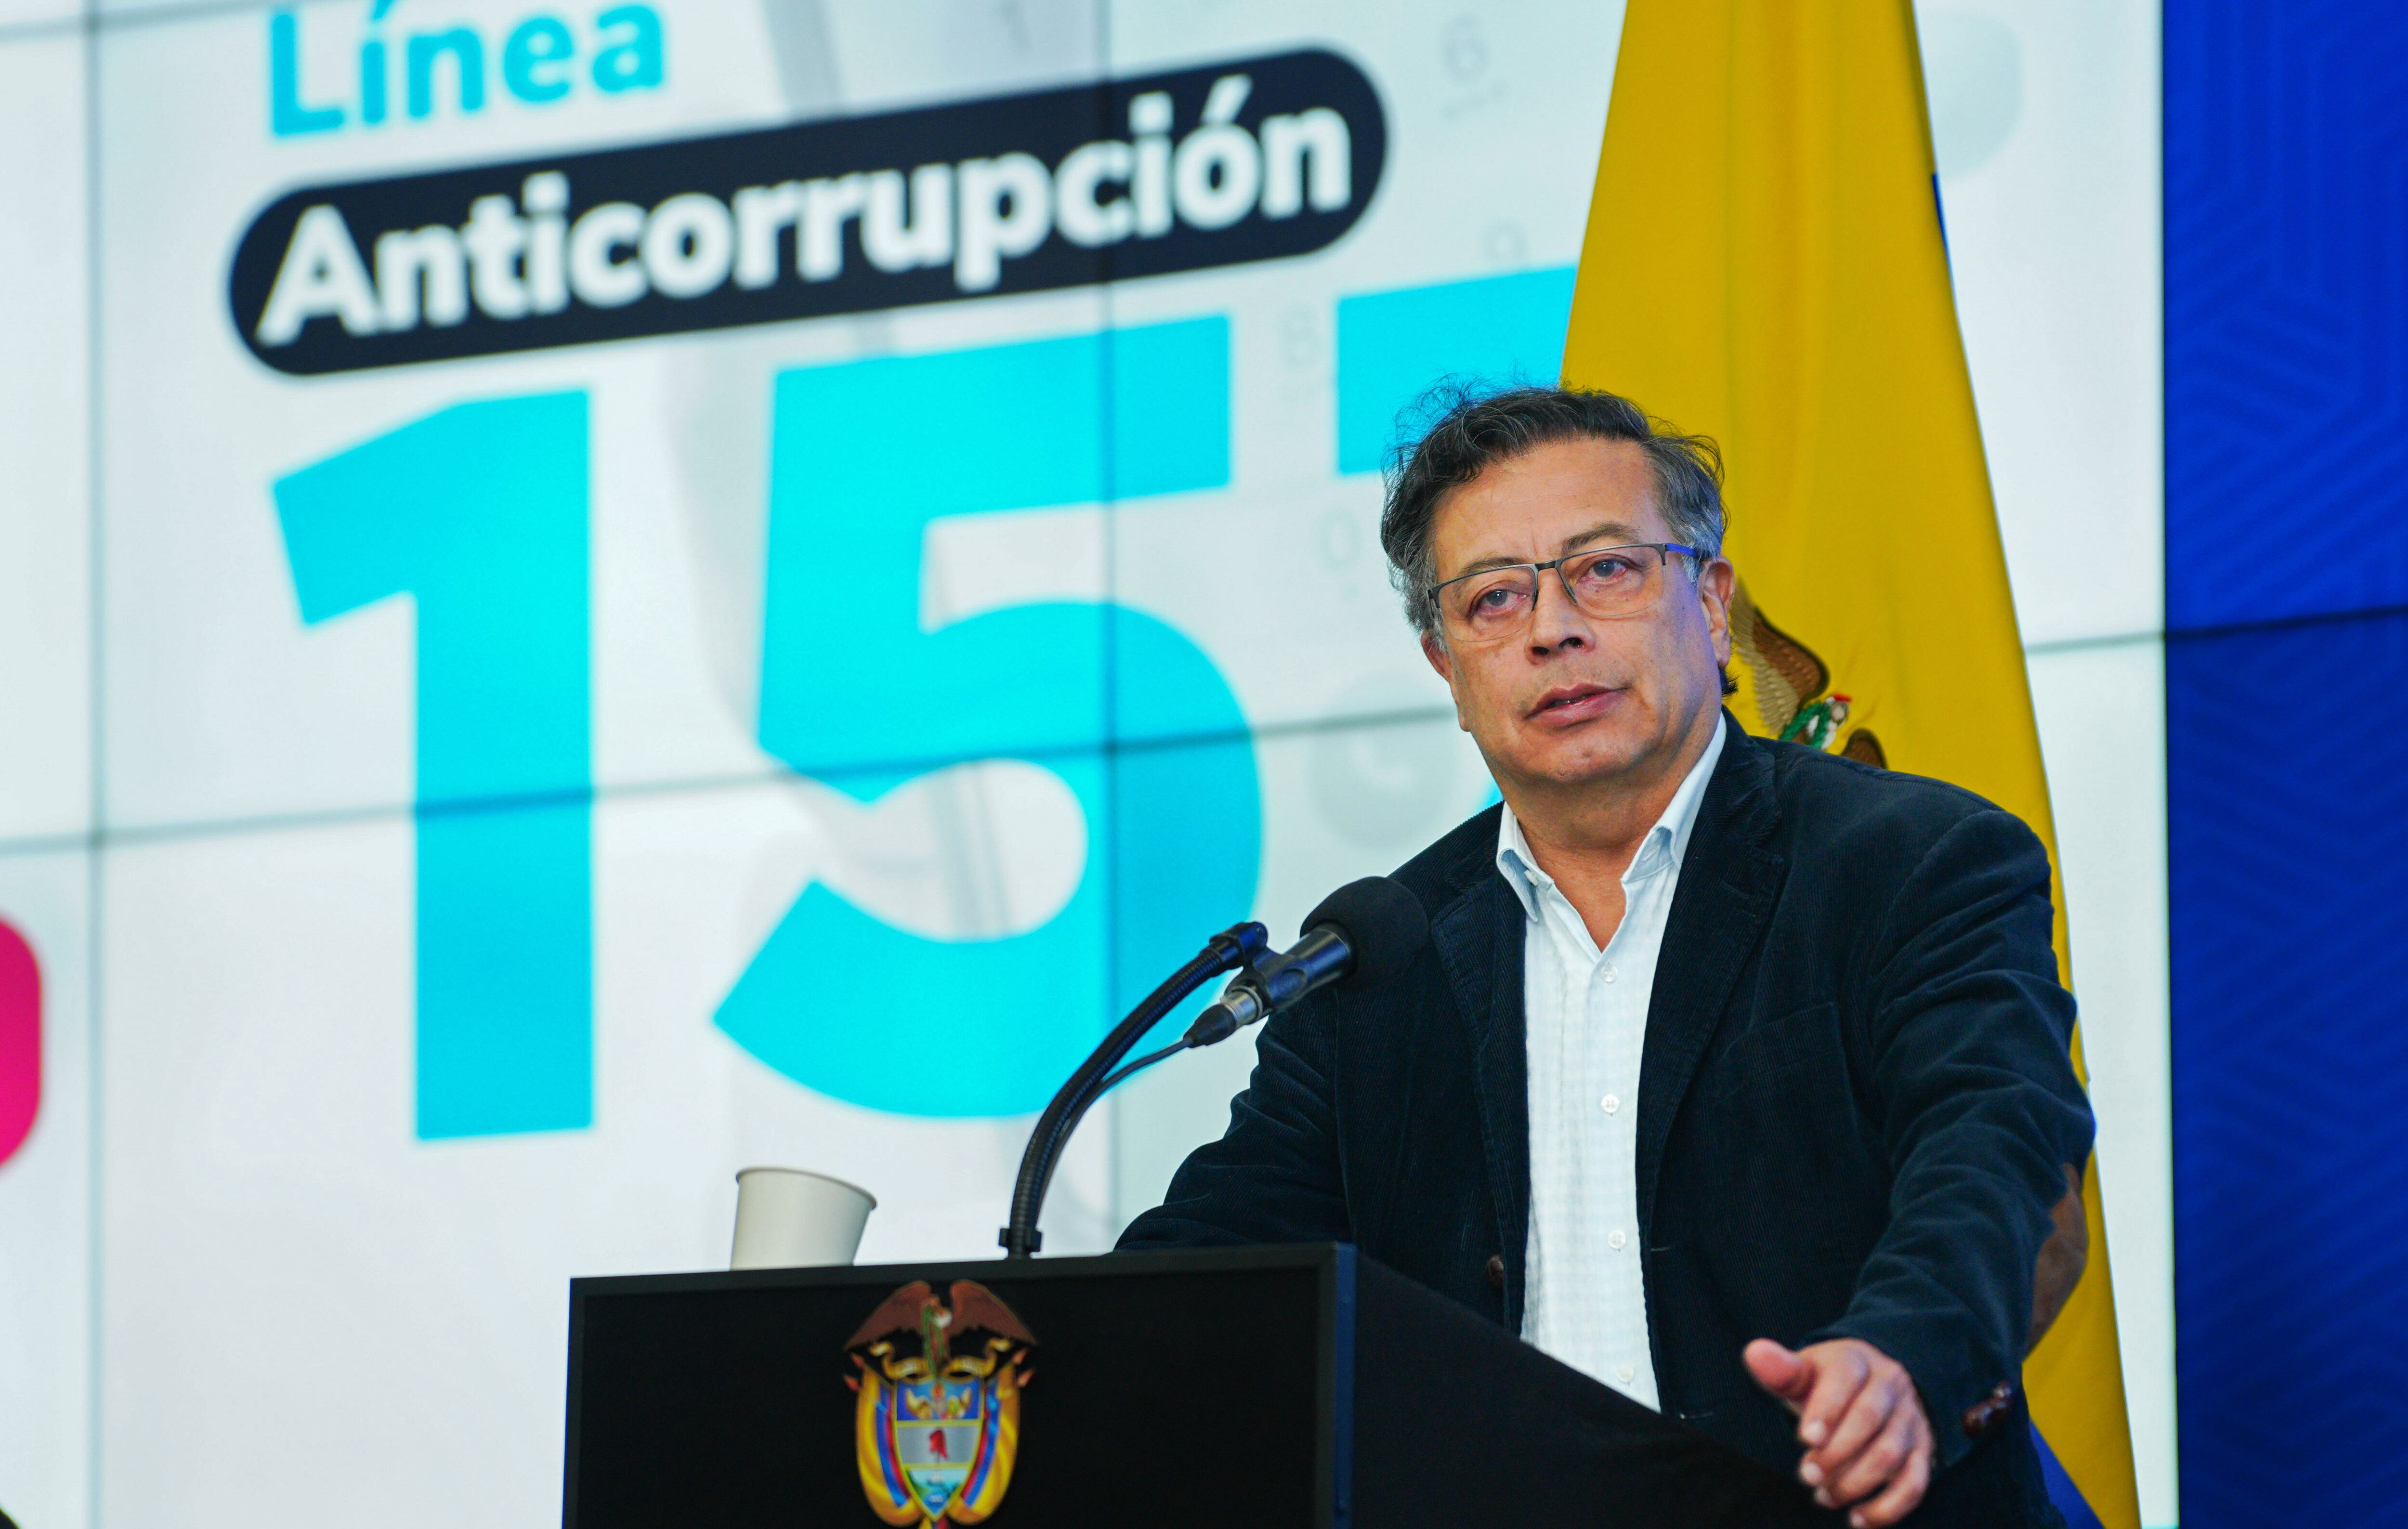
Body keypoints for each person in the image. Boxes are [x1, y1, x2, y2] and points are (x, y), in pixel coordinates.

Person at [1118, 387, 2095, 1527]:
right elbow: (1205, 1275)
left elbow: (1992, 1156)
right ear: (1448, 669)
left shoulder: (1909, 862)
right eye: (1493, 599)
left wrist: (1896, 1359)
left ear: (1713, 601)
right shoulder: (1379, 951)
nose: (1551, 629)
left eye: (1606, 571)